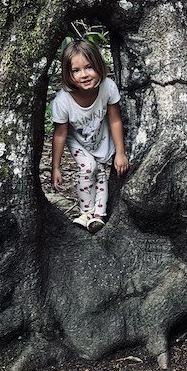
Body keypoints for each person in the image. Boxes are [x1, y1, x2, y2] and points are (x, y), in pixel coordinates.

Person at [51, 38, 129, 233]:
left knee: (101, 173)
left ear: (99, 66)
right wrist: (56, 167)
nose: (84, 75)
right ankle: (85, 212)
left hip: (100, 138)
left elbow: (115, 120)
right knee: (88, 168)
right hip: (76, 140)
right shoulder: (62, 101)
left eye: (89, 67)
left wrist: (120, 152)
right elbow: (60, 134)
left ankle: (98, 216)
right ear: (68, 74)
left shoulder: (108, 87)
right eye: (76, 71)